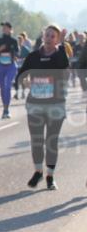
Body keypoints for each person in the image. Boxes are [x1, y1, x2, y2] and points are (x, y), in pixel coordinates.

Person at [16, 24, 70, 190]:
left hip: (56, 104)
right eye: (47, 35)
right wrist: (23, 80)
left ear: (57, 39)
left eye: (53, 36)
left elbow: (63, 65)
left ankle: (50, 176)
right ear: (42, 36)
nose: (49, 38)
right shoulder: (33, 56)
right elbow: (21, 74)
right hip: (35, 104)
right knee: (37, 141)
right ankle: (38, 171)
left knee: (51, 141)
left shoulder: (60, 55)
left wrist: (61, 46)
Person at [0, 22, 20, 118]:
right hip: (0, 66)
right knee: (2, 88)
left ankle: (6, 110)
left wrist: (13, 53)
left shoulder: (14, 41)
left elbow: (18, 53)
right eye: (3, 27)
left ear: (10, 29)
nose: (4, 29)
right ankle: (4, 108)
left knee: (8, 86)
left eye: (6, 27)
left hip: (11, 66)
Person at [14, 32, 33, 99]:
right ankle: (18, 92)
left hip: (23, 66)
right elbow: (13, 56)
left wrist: (24, 58)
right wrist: (14, 58)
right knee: (16, 80)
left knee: (21, 79)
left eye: (20, 41)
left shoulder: (25, 48)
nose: (19, 42)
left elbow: (30, 56)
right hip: (16, 66)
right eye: (18, 41)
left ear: (22, 41)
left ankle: (22, 93)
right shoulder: (14, 49)